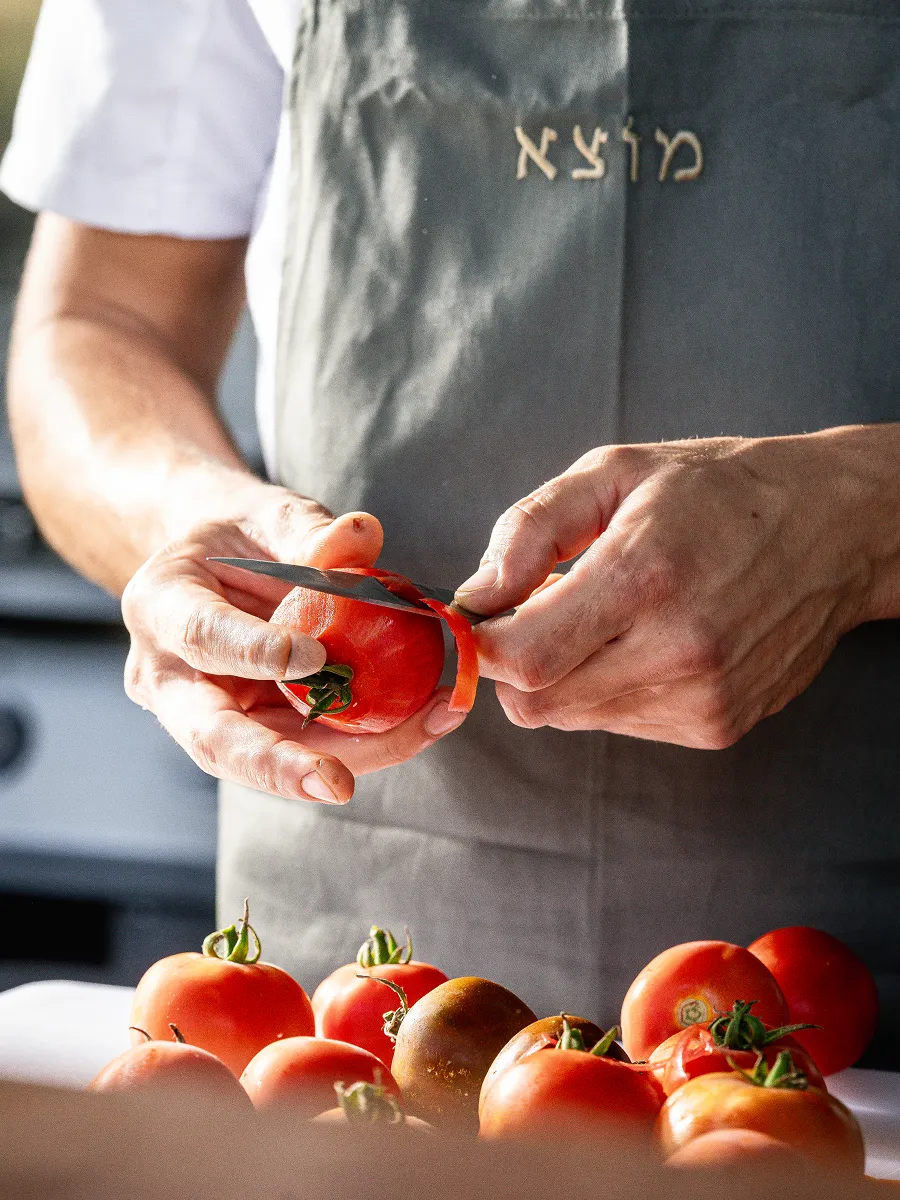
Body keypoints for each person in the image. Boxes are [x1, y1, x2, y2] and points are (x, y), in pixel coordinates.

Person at [3, 0, 898, 1064]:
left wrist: (865, 518)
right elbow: (102, 324)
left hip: (847, 996)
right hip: (351, 998)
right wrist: (188, 527)